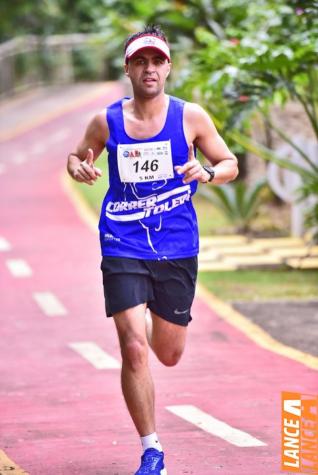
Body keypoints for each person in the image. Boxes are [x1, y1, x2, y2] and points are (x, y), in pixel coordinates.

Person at [67, 24, 238, 475]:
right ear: (128, 68)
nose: (149, 68)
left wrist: (207, 173)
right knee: (134, 348)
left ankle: (147, 310)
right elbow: (76, 155)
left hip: (176, 244)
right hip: (121, 239)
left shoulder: (191, 117)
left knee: (168, 353)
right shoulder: (107, 121)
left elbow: (229, 163)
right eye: (140, 60)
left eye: (157, 60)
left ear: (168, 67)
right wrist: (77, 168)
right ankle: (151, 449)